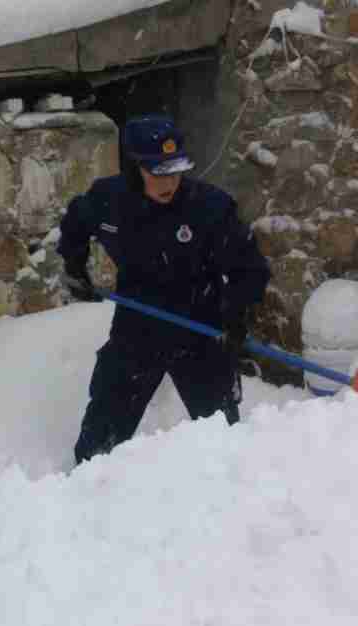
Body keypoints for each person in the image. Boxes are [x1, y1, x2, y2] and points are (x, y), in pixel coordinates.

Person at [58, 114, 271, 464]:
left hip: (200, 325)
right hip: (137, 322)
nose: (169, 182)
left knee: (223, 440)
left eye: (175, 171)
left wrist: (234, 316)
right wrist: (75, 269)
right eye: (158, 172)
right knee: (99, 443)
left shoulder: (209, 208)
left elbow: (251, 269)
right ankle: (90, 488)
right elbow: (75, 225)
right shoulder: (108, 200)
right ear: (134, 168)